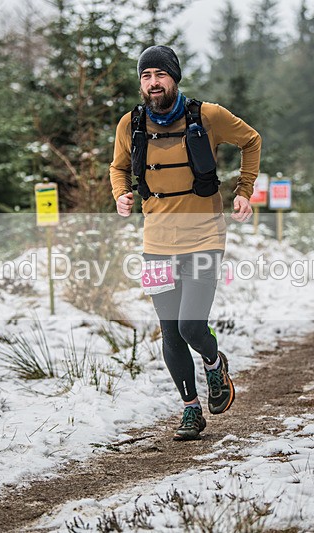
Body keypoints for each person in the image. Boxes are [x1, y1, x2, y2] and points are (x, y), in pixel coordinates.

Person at [109, 45, 261, 441]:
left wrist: (244, 190)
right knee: (170, 331)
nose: (153, 82)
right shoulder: (131, 123)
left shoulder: (207, 116)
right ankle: (191, 410)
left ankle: (213, 362)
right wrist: (121, 193)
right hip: (156, 243)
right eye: (146, 76)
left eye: (160, 75)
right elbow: (118, 167)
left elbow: (251, 140)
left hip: (204, 236)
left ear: (174, 78)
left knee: (192, 325)